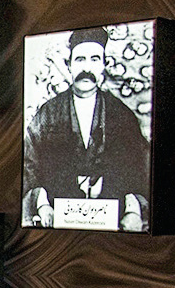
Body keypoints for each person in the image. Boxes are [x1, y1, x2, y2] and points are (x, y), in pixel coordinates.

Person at [22, 26, 151, 231]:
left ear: (104, 65)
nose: (87, 68)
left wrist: (133, 209)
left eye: (94, 59)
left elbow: (138, 165)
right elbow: (29, 162)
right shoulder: (47, 114)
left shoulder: (121, 114)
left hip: (113, 217)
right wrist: (42, 203)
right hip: (57, 216)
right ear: (69, 64)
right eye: (80, 60)